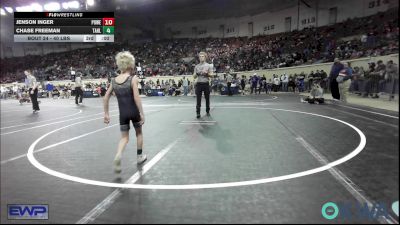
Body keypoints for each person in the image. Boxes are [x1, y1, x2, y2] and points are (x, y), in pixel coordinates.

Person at [103, 51, 147, 173]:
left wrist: (106, 113)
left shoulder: (113, 81)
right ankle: (139, 157)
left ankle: (118, 155)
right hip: (133, 112)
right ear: (130, 65)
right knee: (139, 133)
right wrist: (142, 113)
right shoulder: (133, 79)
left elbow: (105, 97)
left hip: (123, 114)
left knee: (124, 138)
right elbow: (137, 98)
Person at [193, 52, 213, 118]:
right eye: (200, 56)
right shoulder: (196, 66)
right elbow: (194, 76)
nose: (201, 57)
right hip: (199, 84)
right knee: (198, 99)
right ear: (199, 58)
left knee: (207, 99)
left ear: (205, 57)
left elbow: (212, 75)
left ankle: (207, 111)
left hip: (206, 84)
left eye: (203, 56)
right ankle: (198, 113)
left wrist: (207, 74)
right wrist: (197, 73)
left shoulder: (208, 65)